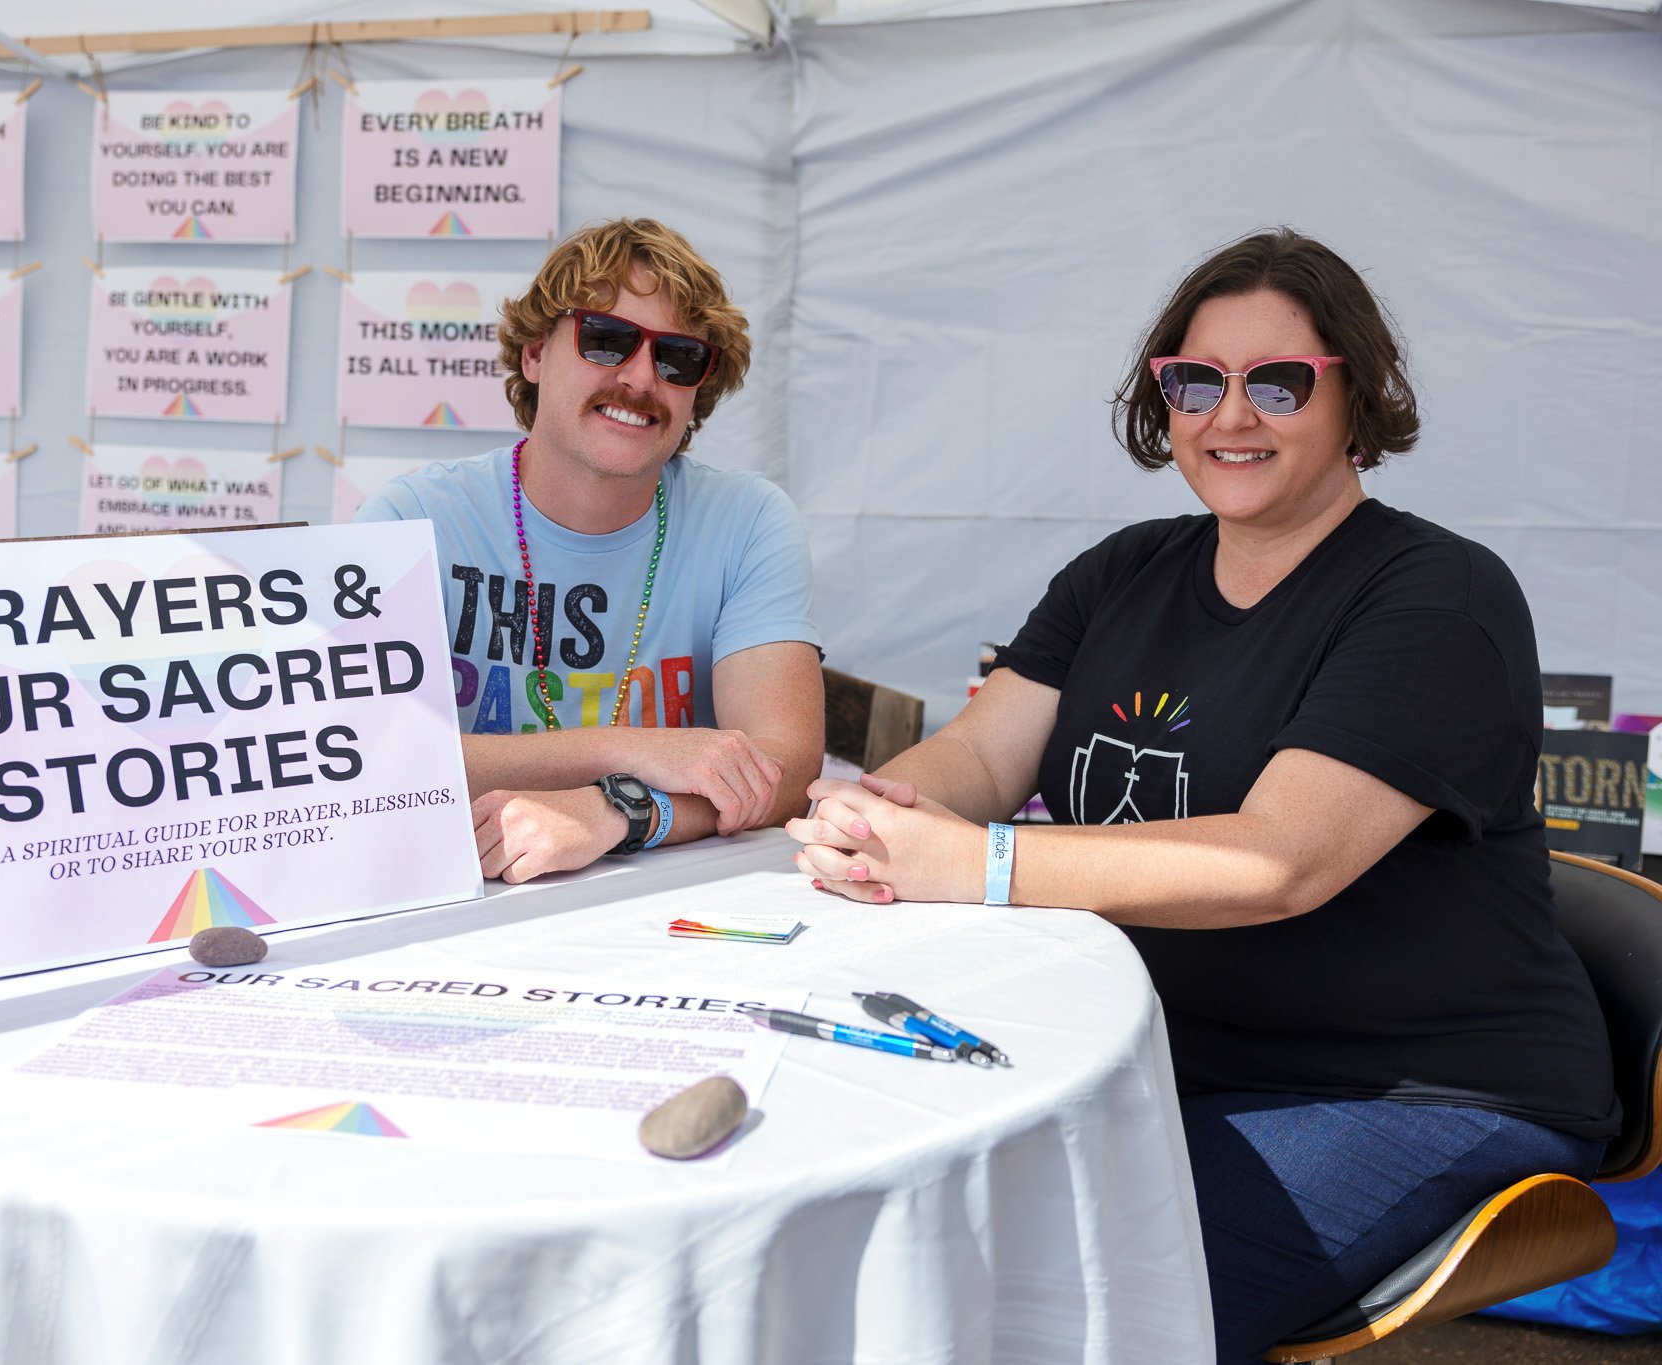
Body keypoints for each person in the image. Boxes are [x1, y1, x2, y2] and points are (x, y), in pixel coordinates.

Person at [785, 229, 1618, 1362]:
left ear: (1354, 396)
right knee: (890, 1239)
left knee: (1072, 1320)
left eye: (1276, 381)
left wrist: (975, 865)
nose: (1230, 415)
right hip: (1150, 1053)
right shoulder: (1122, 571)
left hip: (1408, 1091)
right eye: (1194, 380)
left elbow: (1279, 861)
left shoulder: (1437, 597)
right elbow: (982, 760)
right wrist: (881, 811)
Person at [358, 218, 823, 884]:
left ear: (699, 391)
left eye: (676, 358)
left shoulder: (747, 520)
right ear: (534, 355)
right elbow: (364, 757)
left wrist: (614, 811)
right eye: (607, 340)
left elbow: (783, 766)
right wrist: (630, 750)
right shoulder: (413, 521)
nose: (640, 379)